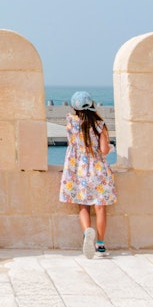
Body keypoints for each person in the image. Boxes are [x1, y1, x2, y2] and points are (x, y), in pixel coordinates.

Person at [59, 90, 117, 258]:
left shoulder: (70, 122)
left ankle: (87, 234)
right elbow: (104, 150)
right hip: (98, 170)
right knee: (100, 207)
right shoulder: (100, 125)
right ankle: (100, 245)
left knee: (83, 206)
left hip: (78, 170)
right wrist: (111, 147)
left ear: (74, 107)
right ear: (92, 104)